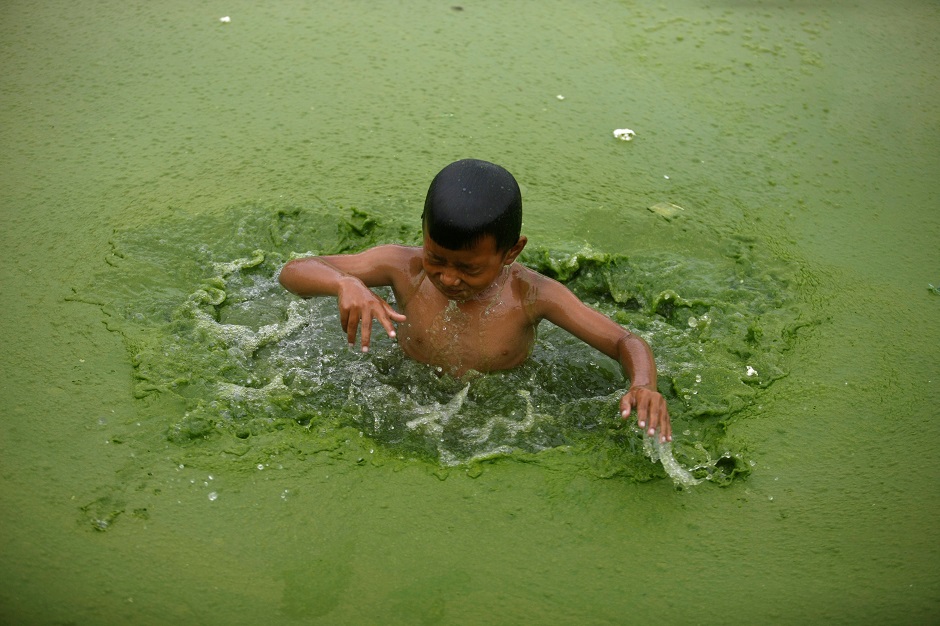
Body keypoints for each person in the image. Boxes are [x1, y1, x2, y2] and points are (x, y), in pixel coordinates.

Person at [279, 159, 672, 442]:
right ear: (424, 232)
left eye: (469, 269)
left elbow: (626, 341)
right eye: (436, 258)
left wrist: (643, 384)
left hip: (498, 412)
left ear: (511, 252)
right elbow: (294, 271)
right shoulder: (404, 267)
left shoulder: (531, 295)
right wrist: (344, 282)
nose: (449, 277)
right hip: (408, 395)